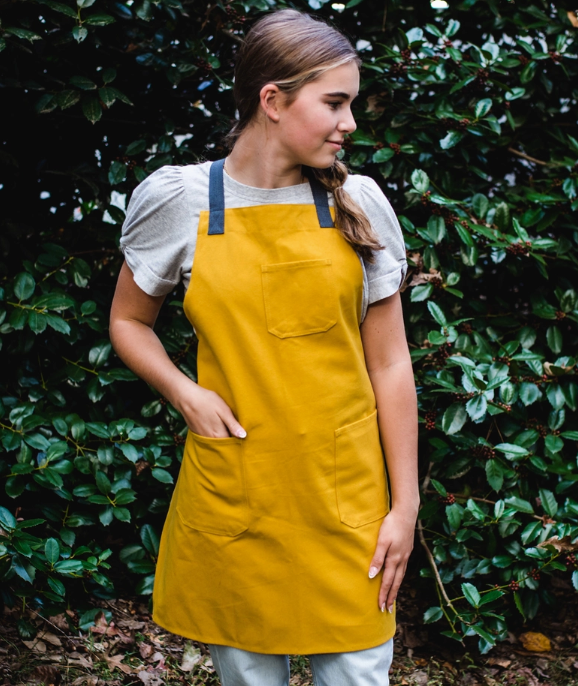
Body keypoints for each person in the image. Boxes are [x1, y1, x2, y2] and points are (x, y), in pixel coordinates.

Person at [109, 8, 419, 686]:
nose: (351, 123)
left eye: (352, 103)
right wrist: (183, 391)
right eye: (334, 102)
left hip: (347, 506)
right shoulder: (183, 200)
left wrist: (405, 505)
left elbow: (391, 363)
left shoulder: (358, 203)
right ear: (271, 101)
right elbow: (129, 321)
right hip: (239, 499)